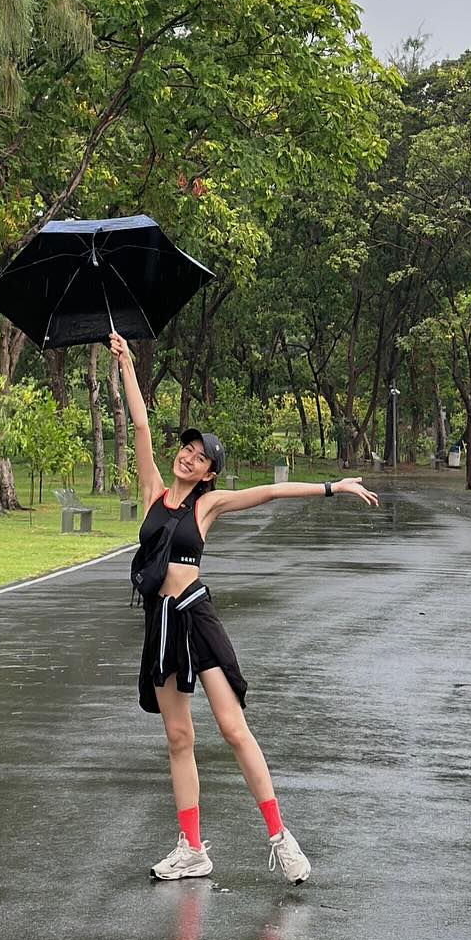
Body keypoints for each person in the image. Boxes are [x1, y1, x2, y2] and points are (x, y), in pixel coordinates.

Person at [109, 331, 380, 885]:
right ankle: (191, 848)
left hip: (195, 617)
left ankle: (281, 839)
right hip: (159, 624)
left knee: (233, 729)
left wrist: (333, 487)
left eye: (200, 455)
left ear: (209, 471)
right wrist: (127, 367)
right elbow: (139, 425)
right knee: (179, 739)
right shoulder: (154, 491)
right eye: (187, 448)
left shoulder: (208, 505)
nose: (189, 456)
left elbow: (271, 495)